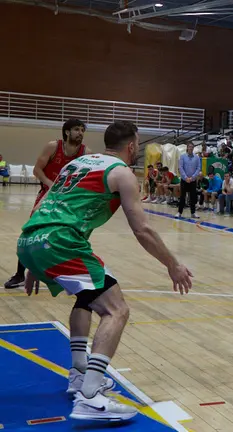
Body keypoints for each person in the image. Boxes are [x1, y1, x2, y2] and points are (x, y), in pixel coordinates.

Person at [18, 120, 193, 421]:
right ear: (131, 146)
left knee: (87, 296)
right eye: (137, 144)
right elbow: (143, 230)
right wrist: (173, 264)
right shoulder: (122, 172)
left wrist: (34, 260)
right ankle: (91, 397)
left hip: (31, 238)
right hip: (61, 241)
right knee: (117, 310)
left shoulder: (77, 164)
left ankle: (79, 374)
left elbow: (43, 204)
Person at [5, 119, 90, 289]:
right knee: (30, 232)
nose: (80, 133)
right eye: (76, 129)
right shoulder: (53, 147)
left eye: (82, 130)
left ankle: (69, 274)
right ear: (67, 132)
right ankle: (20, 274)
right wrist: (51, 185)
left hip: (69, 199)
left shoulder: (85, 152)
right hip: (47, 195)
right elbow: (37, 170)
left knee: (71, 236)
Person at [177, 142, 201, 219]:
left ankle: (193, 213)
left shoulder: (197, 157)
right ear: (187, 148)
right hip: (184, 180)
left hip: (193, 180)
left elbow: (198, 168)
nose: (191, 148)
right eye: (189, 147)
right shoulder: (183, 156)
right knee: (182, 196)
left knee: (192, 197)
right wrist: (186, 177)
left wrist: (192, 177)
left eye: (192, 147)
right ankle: (179, 212)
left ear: (193, 148)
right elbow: (180, 167)